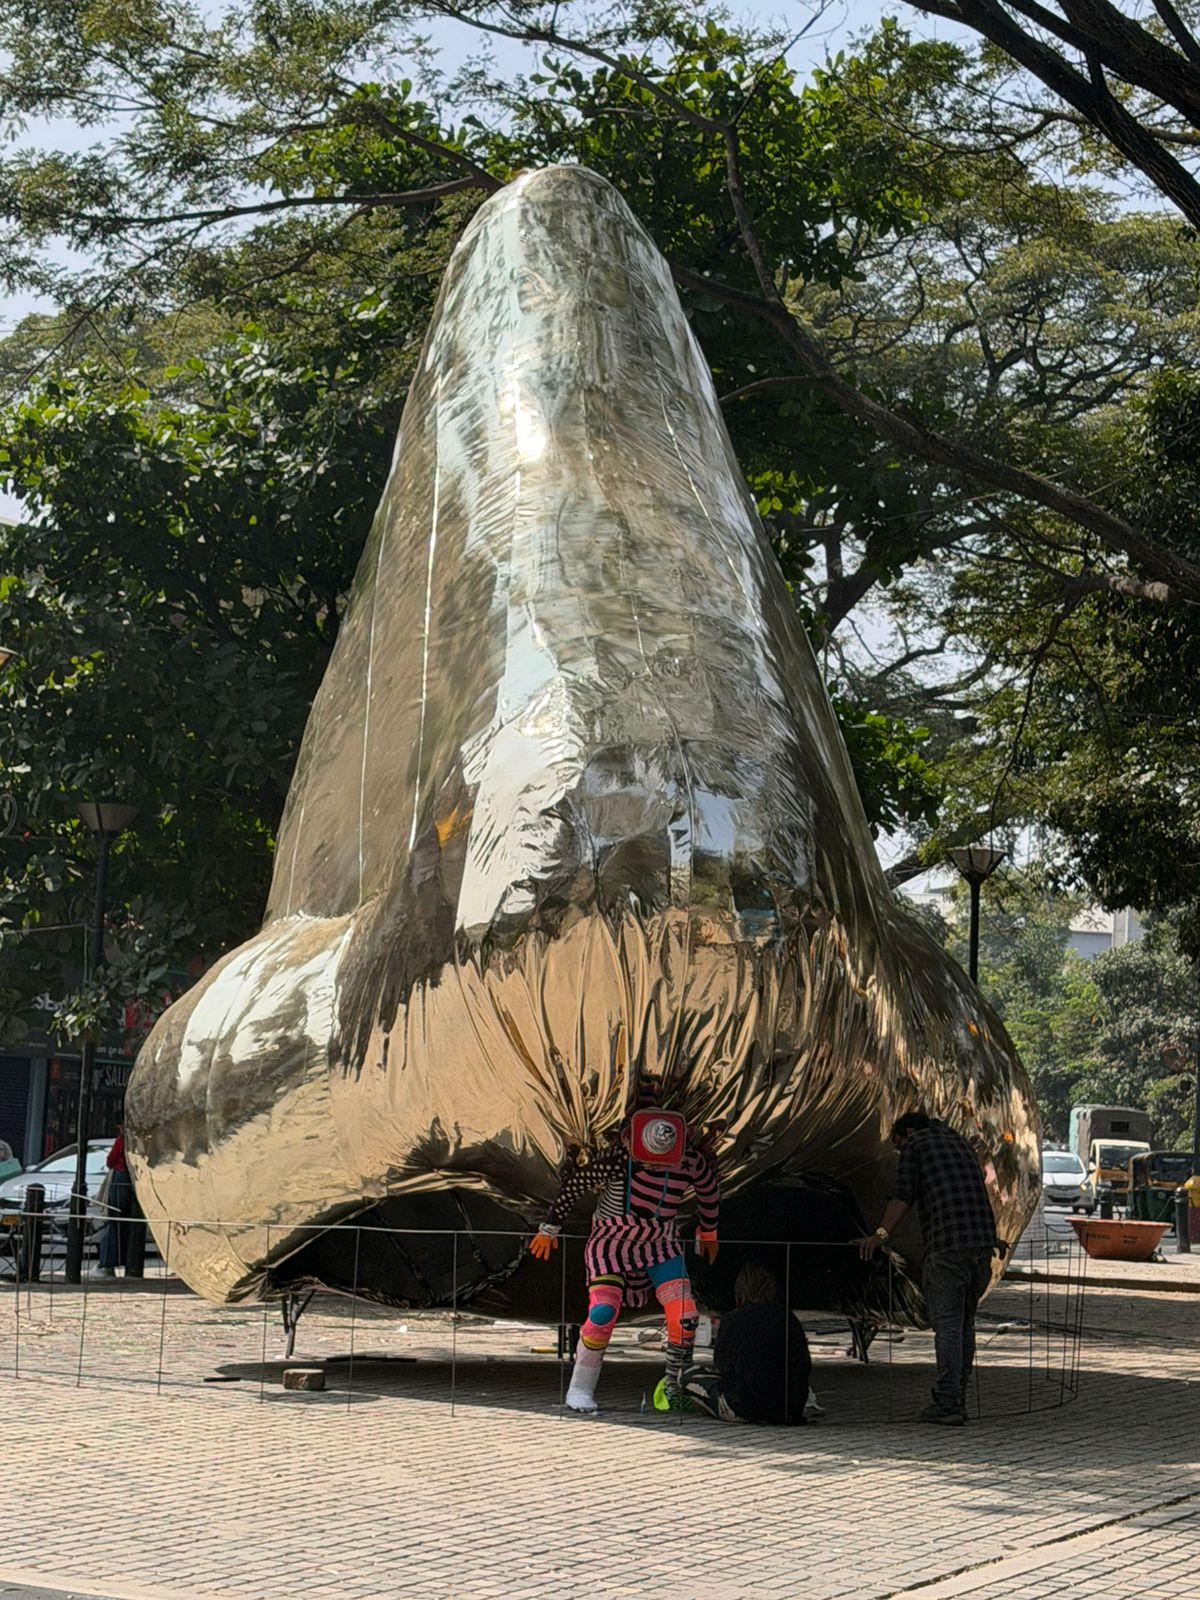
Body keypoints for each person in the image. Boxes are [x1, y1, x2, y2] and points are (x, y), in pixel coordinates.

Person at [530, 1107, 720, 1414]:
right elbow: (576, 1184)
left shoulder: (689, 1163)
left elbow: (709, 1189)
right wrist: (549, 1227)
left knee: (685, 1316)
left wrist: (709, 1231)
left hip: (660, 1243)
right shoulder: (618, 1161)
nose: (652, 1165)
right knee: (604, 1310)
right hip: (611, 1244)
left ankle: (674, 1387)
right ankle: (580, 1386)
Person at [857, 1111, 999, 1425]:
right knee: (965, 1326)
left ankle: (948, 1405)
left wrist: (880, 1235)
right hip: (981, 1248)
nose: (898, 1151)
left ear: (906, 1132)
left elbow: (903, 1194)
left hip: (948, 1248)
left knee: (947, 1327)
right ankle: (957, 1398)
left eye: (897, 1144)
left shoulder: (916, 1144)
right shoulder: (958, 1141)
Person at [684, 1263, 812, 1424]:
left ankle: (713, 1407)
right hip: (788, 1410)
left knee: (687, 1375)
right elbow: (803, 1363)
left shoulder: (732, 1320)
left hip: (744, 1407)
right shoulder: (788, 1317)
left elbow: (721, 1365)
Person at [93, 1124, 132, 1278]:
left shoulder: (123, 1140)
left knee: (114, 1220)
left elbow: (111, 1160)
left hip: (121, 1178)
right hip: (132, 1180)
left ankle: (106, 1264)